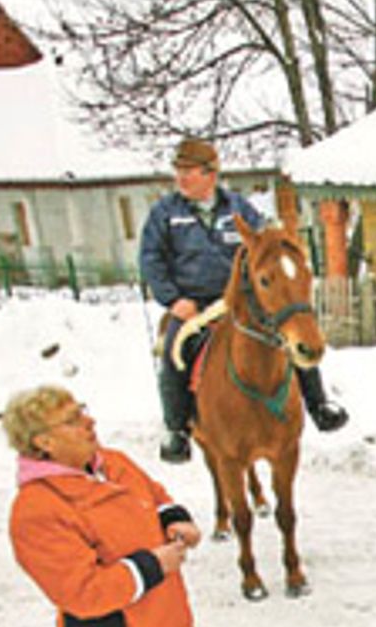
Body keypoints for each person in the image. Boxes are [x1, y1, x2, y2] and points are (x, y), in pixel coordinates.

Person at [3, 385, 200, 627]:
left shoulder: (112, 463)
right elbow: (83, 591)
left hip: (155, 621)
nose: (89, 421)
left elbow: (154, 495)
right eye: (73, 419)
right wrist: (155, 564)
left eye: (83, 410)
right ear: (44, 442)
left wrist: (174, 520)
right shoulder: (36, 510)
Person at [140, 136, 348, 464]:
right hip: (194, 305)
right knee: (172, 354)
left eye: (189, 171)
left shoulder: (238, 208)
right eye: (178, 170)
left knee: (291, 337)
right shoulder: (165, 214)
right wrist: (173, 299)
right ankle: (177, 430)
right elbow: (150, 260)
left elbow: (267, 243)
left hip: (238, 299)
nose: (181, 178)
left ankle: (319, 405)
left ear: (210, 174)